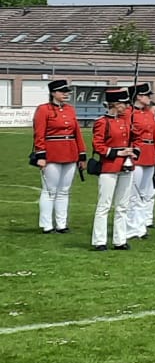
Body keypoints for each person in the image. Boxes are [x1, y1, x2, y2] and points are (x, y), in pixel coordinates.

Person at [31, 80, 83, 235]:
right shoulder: (43, 109)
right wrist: (41, 154)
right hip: (52, 153)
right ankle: (47, 224)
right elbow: (39, 133)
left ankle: (61, 223)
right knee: (49, 190)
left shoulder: (70, 110)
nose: (65, 94)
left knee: (64, 190)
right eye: (62, 91)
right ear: (53, 93)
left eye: (66, 91)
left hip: (70, 152)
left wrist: (81, 154)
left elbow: (77, 133)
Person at [90, 89, 137, 250]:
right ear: (115, 104)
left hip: (126, 166)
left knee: (122, 205)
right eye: (123, 103)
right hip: (109, 167)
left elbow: (136, 139)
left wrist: (133, 150)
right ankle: (99, 240)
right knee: (104, 205)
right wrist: (118, 152)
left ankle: (120, 240)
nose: (126, 106)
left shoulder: (126, 121)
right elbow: (98, 146)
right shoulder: (102, 122)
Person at [125, 83, 155, 239]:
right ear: (138, 96)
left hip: (150, 156)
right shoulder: (128, 113)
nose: (149, 98)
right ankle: (132, 227)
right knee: (134, 194)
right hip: (136, 156)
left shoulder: (149, 114)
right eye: (147, 95)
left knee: (144, 194)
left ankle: (141, 226)